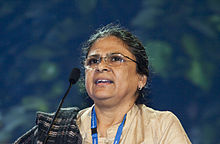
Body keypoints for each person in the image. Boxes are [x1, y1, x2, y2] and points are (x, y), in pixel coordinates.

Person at [15, 24, 191, 144]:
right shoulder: (56, 128)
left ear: (141, 79)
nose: (101, 66)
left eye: (115, 59)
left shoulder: (161, 125)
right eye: (93, 61)